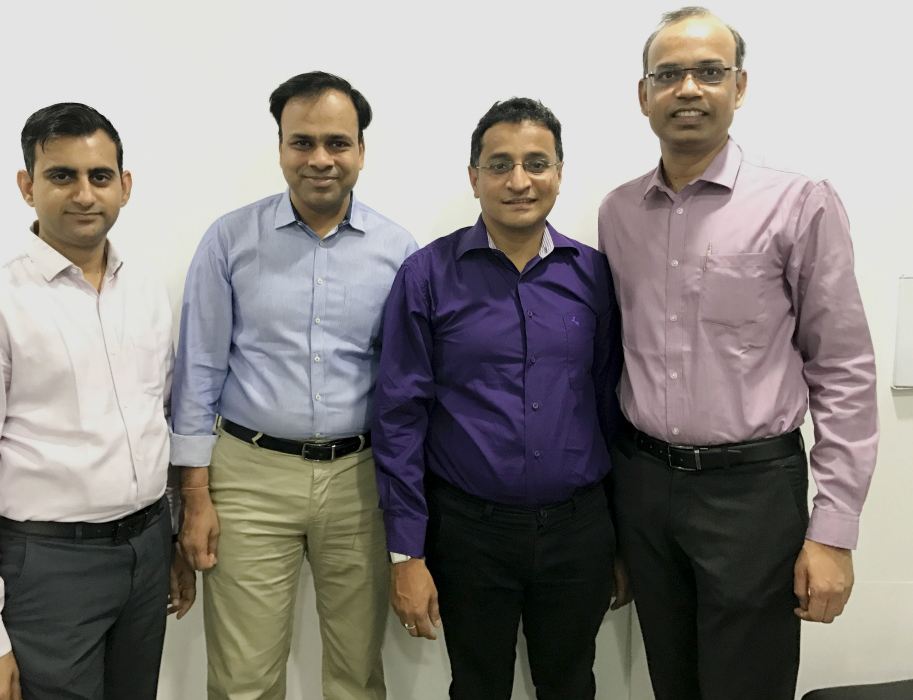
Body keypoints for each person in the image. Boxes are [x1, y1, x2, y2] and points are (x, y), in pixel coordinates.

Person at [598, 7, 879, 700]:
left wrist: (834, 531)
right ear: (644, 94)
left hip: (752, 496)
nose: (688, 88)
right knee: (671, 682)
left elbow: (843, 369)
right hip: (644, 486)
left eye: (709, 71)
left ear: (740, 86)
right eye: (669, 74)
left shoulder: (799, 203)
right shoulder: (618, 212)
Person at [0, 102, 195, 700]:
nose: (84, 194)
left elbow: (160, 421)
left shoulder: (146, 289)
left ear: (125, 186)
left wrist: (172, 540)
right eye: (61, 176)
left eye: (100, 176)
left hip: (147, 548)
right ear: (27, 186)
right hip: (48, 567)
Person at [172, 71, 417, 700]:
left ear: (361, 150)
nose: (320, 159)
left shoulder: (398, 251)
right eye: (301, 142)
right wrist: (194, 497)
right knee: (244, 679)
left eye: (337, 142)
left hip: (359, 479)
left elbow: (407, 389)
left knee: (357, 674)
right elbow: (198, 372)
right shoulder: (229, 240)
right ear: (280, 148)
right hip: (248, 480)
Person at [374, 97, 624, 700]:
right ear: (474, 177)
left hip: (578, 532)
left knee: (571, 686)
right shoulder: (426, 275)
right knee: (477, 687)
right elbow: (400, 417)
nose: (519, 181)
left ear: (559, 174)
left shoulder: (594, 275)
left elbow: (611, 403)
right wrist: (407, 553)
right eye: (500, 164)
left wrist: (623, 538)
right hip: (468, 533)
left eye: (536, 163)